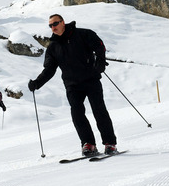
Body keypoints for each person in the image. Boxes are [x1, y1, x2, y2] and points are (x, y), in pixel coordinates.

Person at [28, 14, 118, 156]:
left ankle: (110, 143)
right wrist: (37, 83)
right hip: (72, 85)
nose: (53, 27)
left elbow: (99, 46)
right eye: (50, 25)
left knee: (99, 110)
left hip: (91, 79)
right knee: (77, 113)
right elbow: (49, 70)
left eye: (55, 23)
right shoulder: (53, 47)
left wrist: (100, 63)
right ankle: (88, 144)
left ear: (63, 22)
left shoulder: (83, 34)